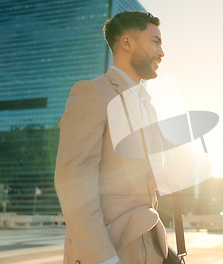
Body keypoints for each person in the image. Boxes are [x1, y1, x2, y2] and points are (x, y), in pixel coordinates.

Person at [55, 11, 168, 264]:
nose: (162, 52)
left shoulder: (148, 105)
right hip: (112, 251)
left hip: (151, 247)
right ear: (127, 43)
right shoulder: (92, 93)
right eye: (155, 42)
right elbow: (73, 181)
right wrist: (102, 258)